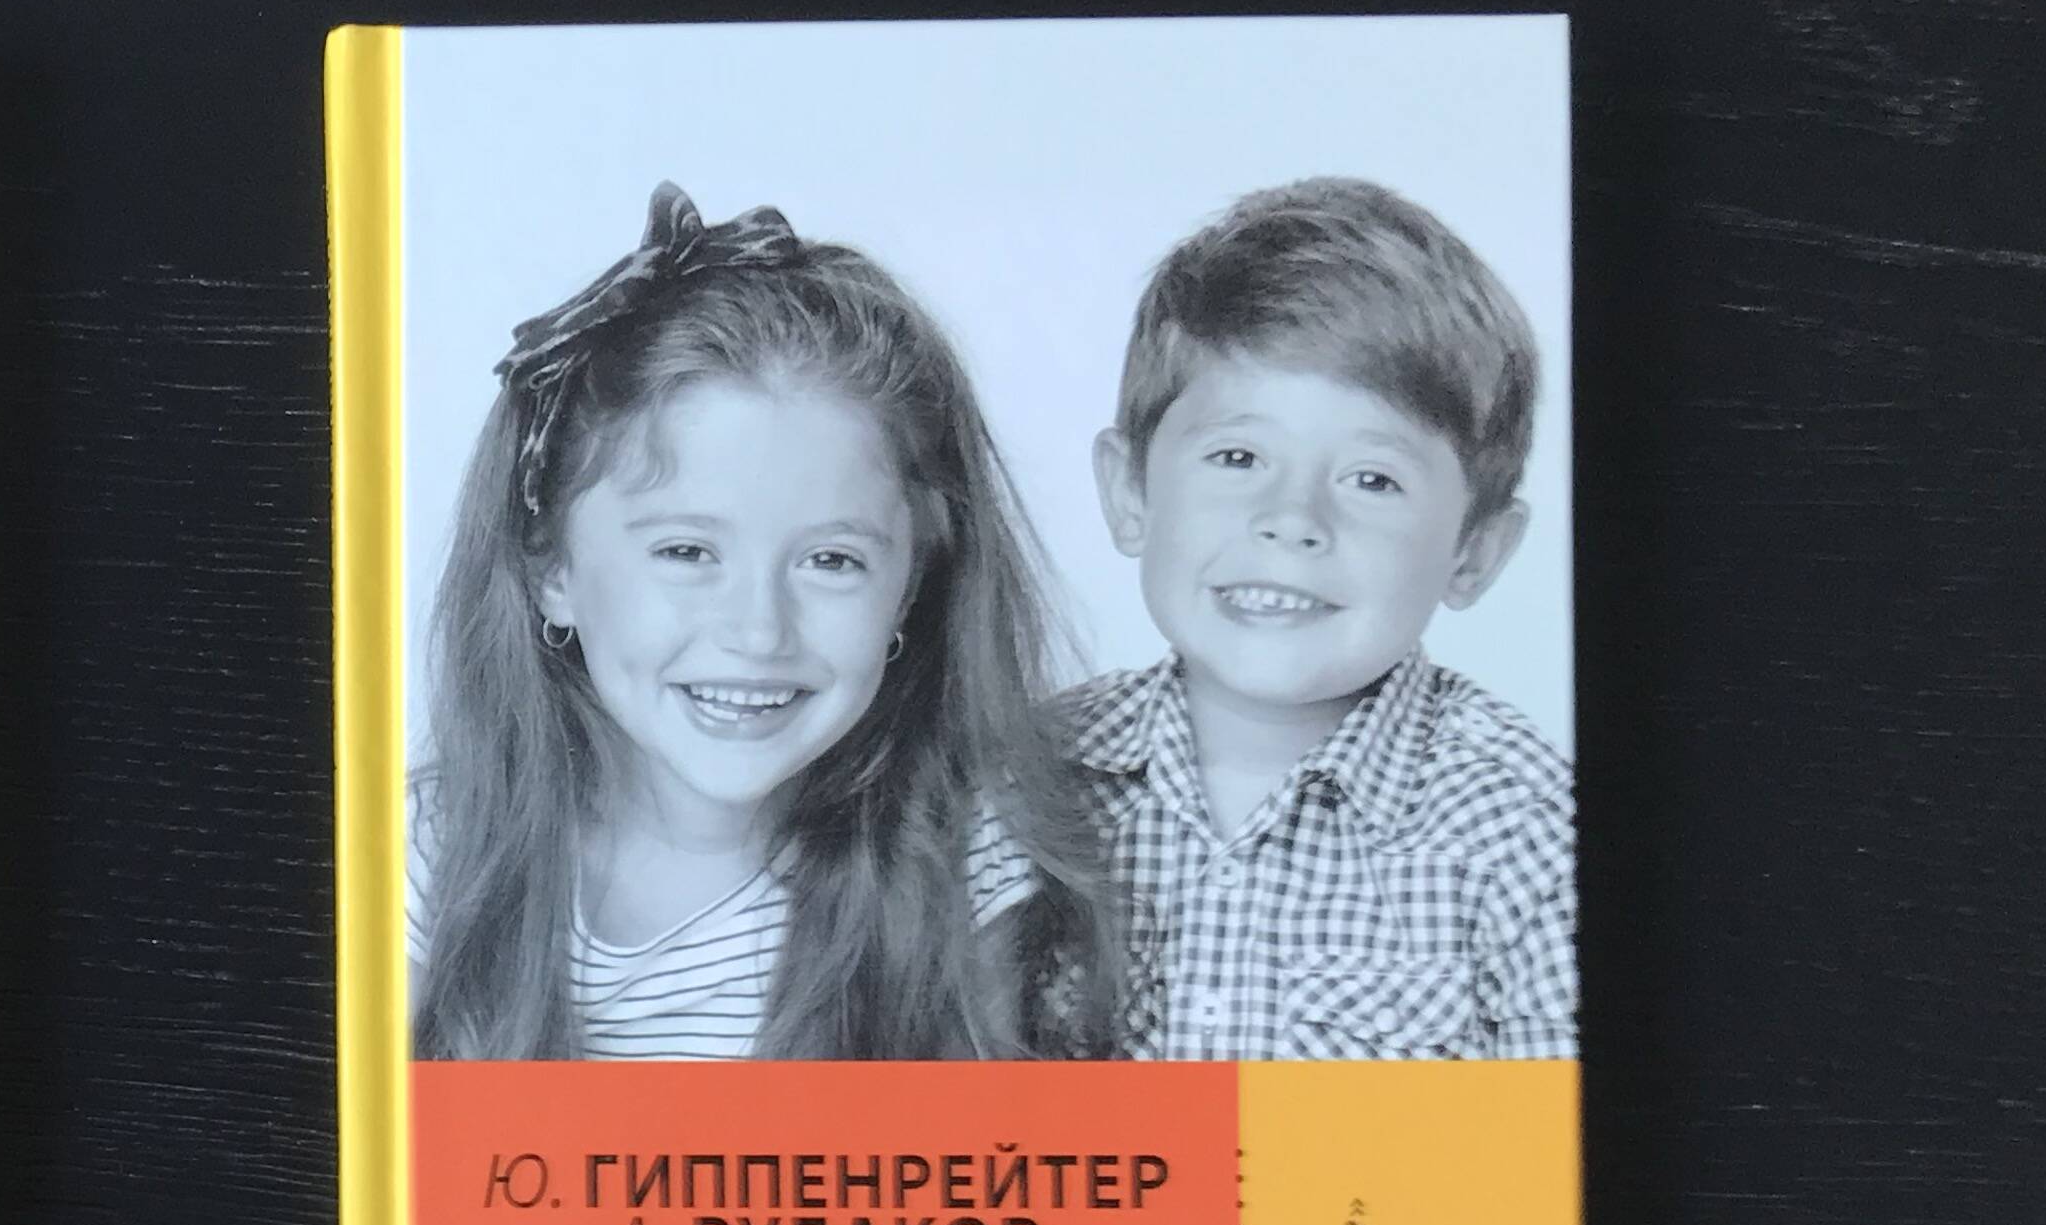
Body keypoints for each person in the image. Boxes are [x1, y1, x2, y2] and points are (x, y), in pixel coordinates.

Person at [411, 184, 1117, 1060]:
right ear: (551, 568)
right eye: (686, 551)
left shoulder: (971, 872)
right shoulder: (428, 857)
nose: (758, 632)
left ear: (910, 588)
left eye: (831, 561)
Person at [1070, 175, 1574, 1058]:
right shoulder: (1023, 786)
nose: (1294, 519)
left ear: (1475, 551)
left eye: (1372, 479)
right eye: (1238, 457)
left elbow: (1574, 1137)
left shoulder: (1528, 836)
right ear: (1130, 492)